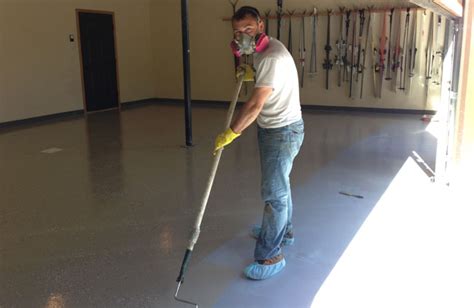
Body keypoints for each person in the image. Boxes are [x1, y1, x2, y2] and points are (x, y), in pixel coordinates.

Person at [214, 6, 304, 280]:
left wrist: (231, 132)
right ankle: (282, 230)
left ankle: (270, 256)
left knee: (274, 194)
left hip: (281, 131)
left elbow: (254, 106)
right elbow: (267, 80)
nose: (242, 36)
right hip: (278, 128)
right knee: (281, 185)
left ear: (261, 26)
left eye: (248, 30)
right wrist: (251, 74)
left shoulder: (271, 57)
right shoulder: (267, 51)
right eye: (238, 32)